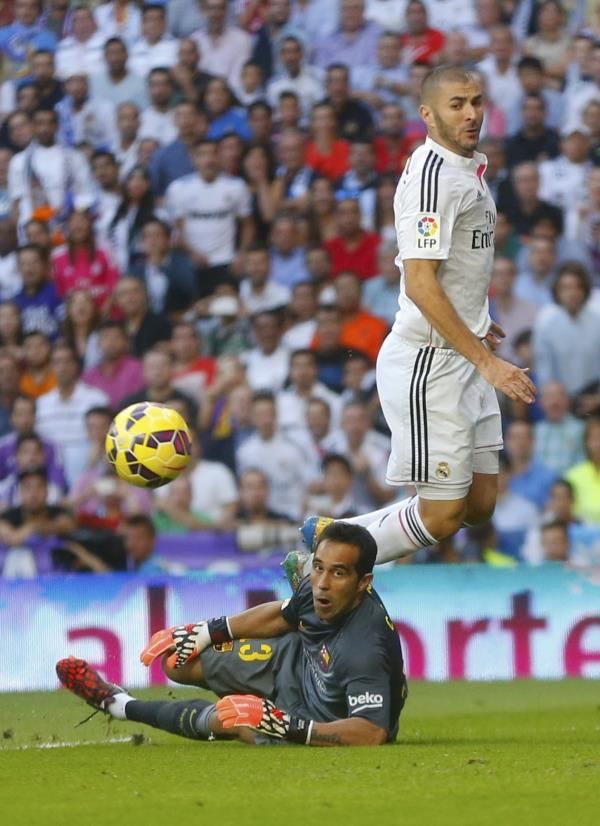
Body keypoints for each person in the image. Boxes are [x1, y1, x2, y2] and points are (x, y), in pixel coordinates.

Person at [302, 65, 536, 565]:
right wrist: (489, 362)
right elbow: (419, 281)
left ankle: (334, 534)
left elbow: (452, 269)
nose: (471, 113)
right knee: (442, 516)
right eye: (457, 104)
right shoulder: (434, 178)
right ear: (427, 114)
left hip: (463, 350)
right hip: (431, 363)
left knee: (479, 505)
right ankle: (324, 551)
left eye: (476, 100)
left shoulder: (465, 168)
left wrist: (475, 315)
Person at [57, 521, 407, 747]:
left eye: (339, 573)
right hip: (293, 661)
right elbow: (280, 616)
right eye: (318, 568)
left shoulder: (366, 646)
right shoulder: (317, 586)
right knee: (178, 661)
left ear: (364, 583)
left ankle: (119, 704)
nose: (323, 583)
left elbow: (371, 732)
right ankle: (247, 703)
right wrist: (206, 631)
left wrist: (284, 725)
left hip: (319, 719)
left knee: (230, 717)